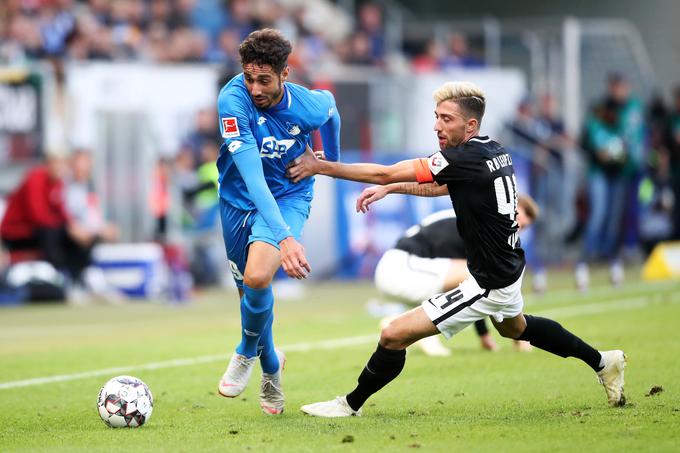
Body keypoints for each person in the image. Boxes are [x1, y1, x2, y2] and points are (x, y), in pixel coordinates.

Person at [285, 81, 626, 417]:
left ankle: (349, 404)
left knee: (393, 334)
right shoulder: (494, 150)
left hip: (488, 281)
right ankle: (603, 361)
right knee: (515, 329)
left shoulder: (466, 157)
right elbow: (441, 188)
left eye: (447, 119)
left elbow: (383, 170)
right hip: (506, 267)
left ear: (470, 124)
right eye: (436, 117)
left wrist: (322, 167)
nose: (437, 126)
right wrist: (392, 190)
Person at [215, 28, 341, 415]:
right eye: (249, 78)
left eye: (264, 80)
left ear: (285, 74)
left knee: (256, 277)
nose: (254, 88)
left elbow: (331, 109)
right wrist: (287, 240)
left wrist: (325, 162)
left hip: (288, 196)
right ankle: (271, 365)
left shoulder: (306, 106)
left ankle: (245, 353)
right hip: (239, 199)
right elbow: (252, 178)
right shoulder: (232, 101)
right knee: (248, 295)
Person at [366, 192, 539, 356]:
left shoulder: (475, 218)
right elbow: (484, 283)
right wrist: (509, 334)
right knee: (489, 275)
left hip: (408, 269)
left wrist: (484, 336)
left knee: (481, 278)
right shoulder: (478, 225)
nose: (516, 227)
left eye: (522, 227)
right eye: (516, 218)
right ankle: (398, 323)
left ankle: (412, 330)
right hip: (400, 268)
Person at [0, 151, 94, 288]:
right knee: (51, 234)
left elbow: (62, 211)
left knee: (77, 238)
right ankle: (57, 281)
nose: (60, 168)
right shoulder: (35, 178)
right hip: (15, 232)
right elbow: (37, 215)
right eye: (57, 164)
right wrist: (66, 227)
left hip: (39, 231)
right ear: (48, 164)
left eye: (63, 165)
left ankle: (78, 279)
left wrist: (74, 227)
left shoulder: (58, 183)